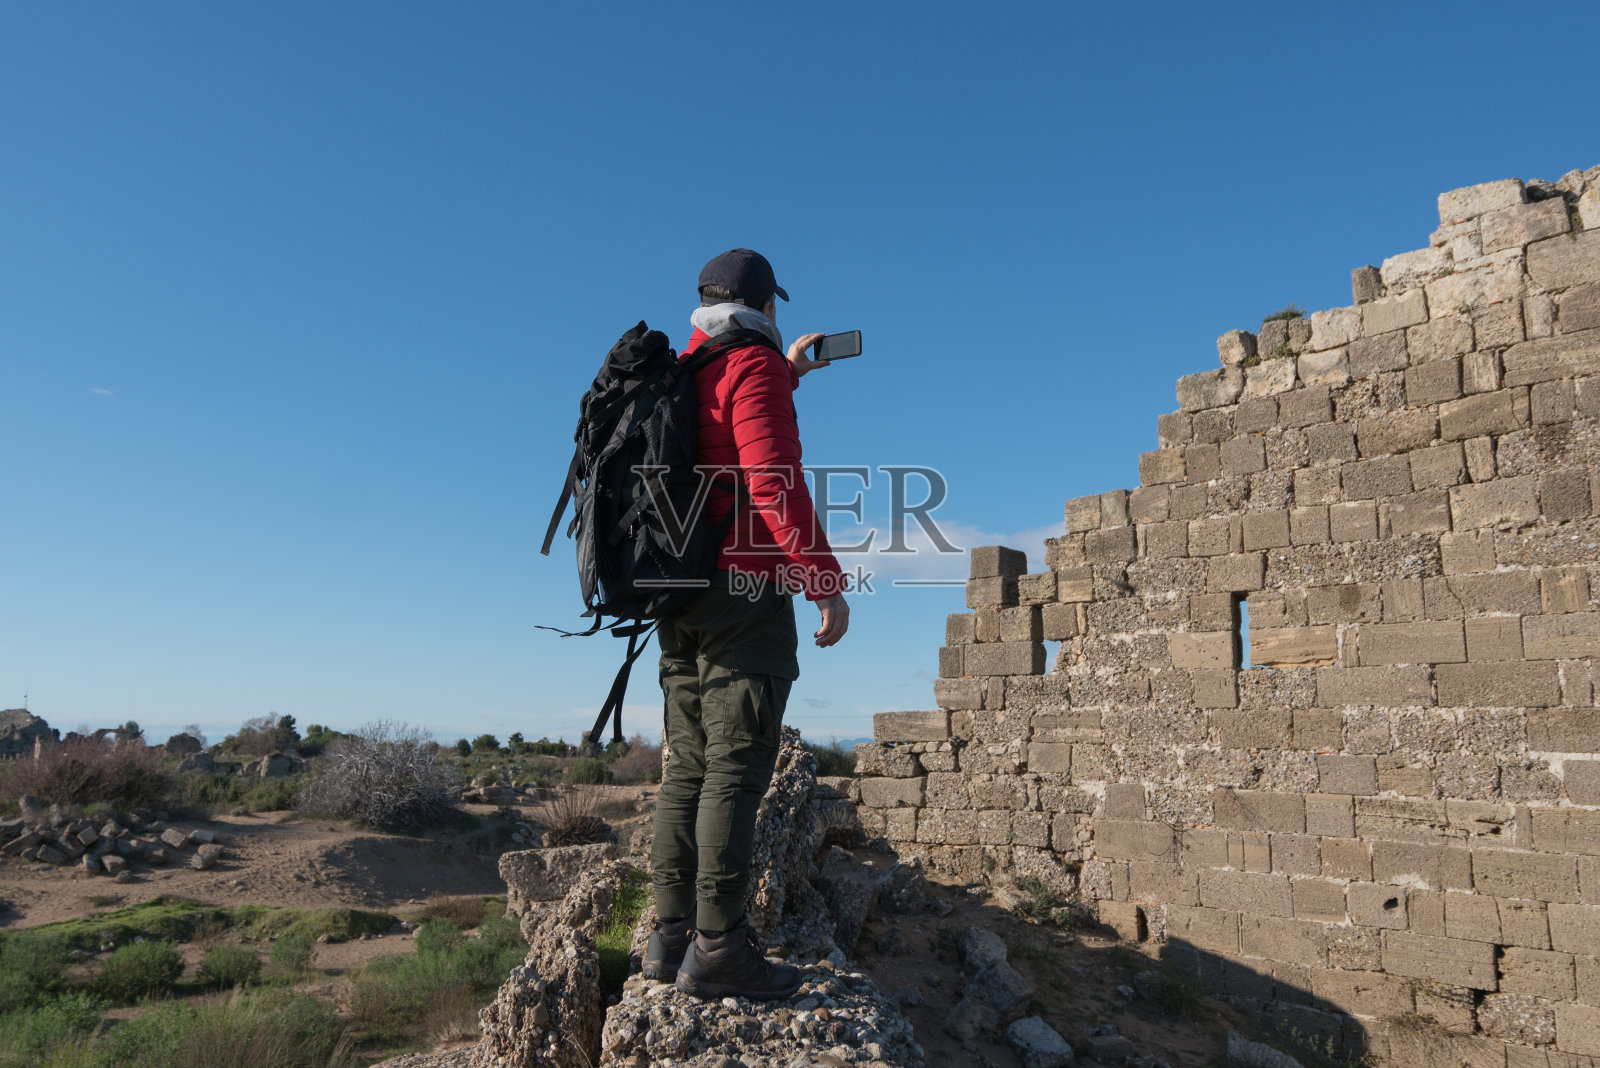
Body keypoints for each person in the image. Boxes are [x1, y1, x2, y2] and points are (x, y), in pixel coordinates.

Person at [643, 248, 850, 1000]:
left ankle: (670, 941)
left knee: (688, 769)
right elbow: (771, 480)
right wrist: (824, 583)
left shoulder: (688, 368)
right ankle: (721, 949)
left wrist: (788, 369)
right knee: (734, 770)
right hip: (743, 592)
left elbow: (721, 430)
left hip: (679, 594)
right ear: (767, 305)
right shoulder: (750, 367)